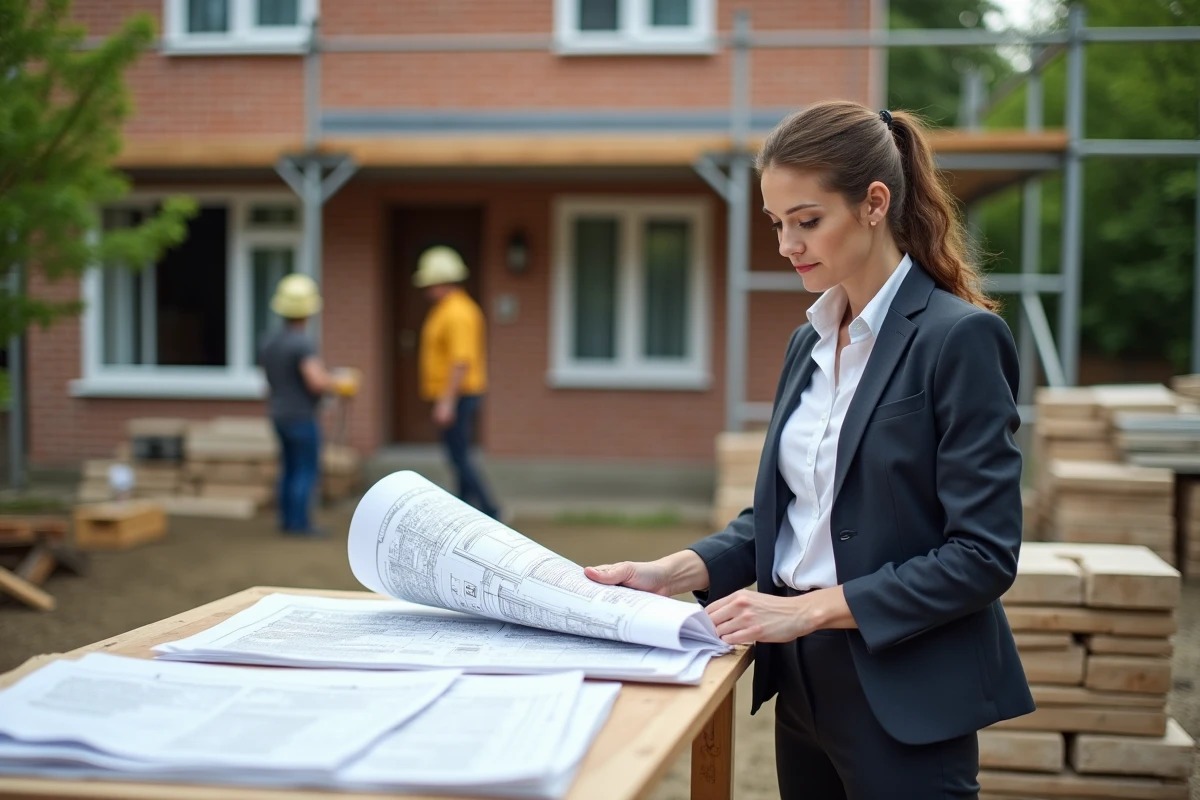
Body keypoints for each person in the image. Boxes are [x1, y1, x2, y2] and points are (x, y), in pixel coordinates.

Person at [585, 101, 1034, 798]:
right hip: (800, 681)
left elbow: (982, 555)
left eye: (807, 220)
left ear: (874, 203)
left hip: (904, 687)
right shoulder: (810, 341)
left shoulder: (959, 339)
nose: (787, 244)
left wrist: (806, 609)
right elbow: (791, 516)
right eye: (776, 222)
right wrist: (670, 570)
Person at [413, 246, 501, 520]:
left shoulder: (458, 313)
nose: (426, 289)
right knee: (457, 456)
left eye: (429, 283)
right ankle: (464, 508)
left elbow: (461, 361)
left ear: (441, 282)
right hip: (455, 394)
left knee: (459, 456)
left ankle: (490, 509)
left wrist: (446, 402)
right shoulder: (447, 309)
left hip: (459, 395)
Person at [260, 273, 340, 537]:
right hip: (301, 416)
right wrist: (338, 382)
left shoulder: (270, 342)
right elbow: (316, 381)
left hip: (278, 414)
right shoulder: (302, 342)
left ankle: (287, 521)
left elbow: (270, 381)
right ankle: (300, 525)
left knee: (289, 467)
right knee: (305, 468)